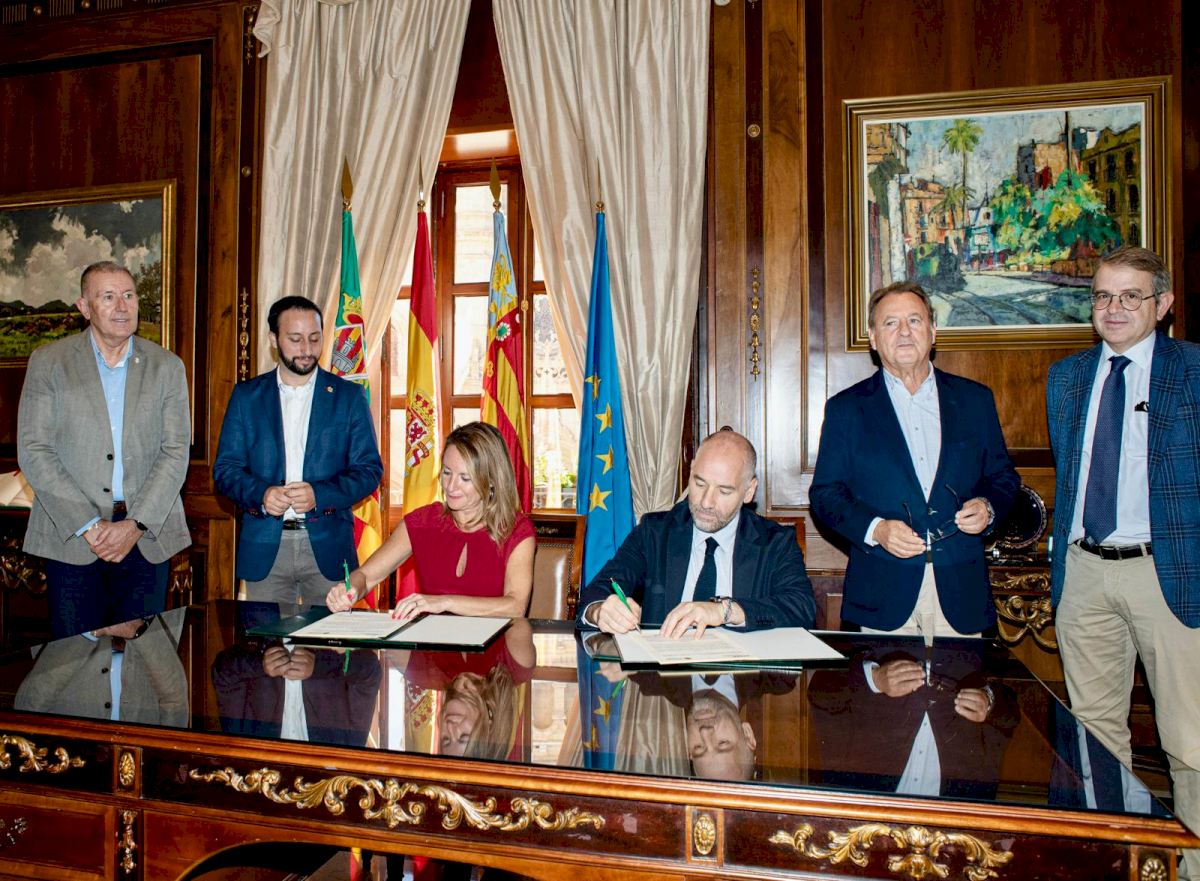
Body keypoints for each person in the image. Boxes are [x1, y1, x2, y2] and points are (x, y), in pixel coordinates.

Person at [1046, 245, 1200, 878]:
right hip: (1083, 573)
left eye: (1130, 296)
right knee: (1093, 738)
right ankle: (1114, 865)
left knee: (1190, 742)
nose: (1113, 308)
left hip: (1171, 574)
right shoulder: (1067, 377)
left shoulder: (1193, 371)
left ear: (1162, 305)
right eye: (1103, 296)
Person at [809, 281, 1019, 637]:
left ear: (933, 331)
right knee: (885, 677)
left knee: (966, 674)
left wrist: (988, 507)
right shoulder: (846, 409)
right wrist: (877, 529)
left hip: (962, 591)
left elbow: (1004, 478)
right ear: (873, 338)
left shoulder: (974, 400)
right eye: (891, 323)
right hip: (882, 593)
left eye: (914, 320)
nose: (904, 331)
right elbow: (825, 494)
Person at [17, 260, 191, 638]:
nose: (122, 306)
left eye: (129, 295)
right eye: (108, 297)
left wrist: (135, 524)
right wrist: (90, 525)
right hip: (73, 538)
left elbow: (175, 451)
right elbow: (34, 449)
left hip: (146, 537)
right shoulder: (49, 363)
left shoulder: (167, 367)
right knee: (75, 659)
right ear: (85, 307)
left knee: (145, 659)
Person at [213, 296, 383, 607]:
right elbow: (226, 471)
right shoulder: (247, 397)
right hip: (265, 548)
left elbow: (369, 470)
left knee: (330, 638)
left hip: (329, 546)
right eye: (295, 339)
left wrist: (320, 495)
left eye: (314, 338)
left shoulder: (348, 397)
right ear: (273, 339)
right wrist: (262, 495)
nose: (306, 349)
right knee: (267, 639)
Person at [576, 428, 815, 637]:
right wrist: (600, 611)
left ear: (749, 491)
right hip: (665, 672)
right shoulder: (654, 533)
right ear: (690, 472)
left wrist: (725, 611)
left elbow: (801, 608)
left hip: (744, 673)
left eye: (724, 491)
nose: (706, 502)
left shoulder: (775, 542)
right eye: (699, 484)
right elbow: (597, 592)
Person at [326, 421, 535, 620]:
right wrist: (350, 589)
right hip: (432, 644)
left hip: (496, 644)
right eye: (447, 473)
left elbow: (516, 606)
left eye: (465, 478)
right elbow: (366, 576)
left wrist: (445, 602)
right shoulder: (423, 522)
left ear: (491, 481)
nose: (451, 486)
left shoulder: (516, 530)